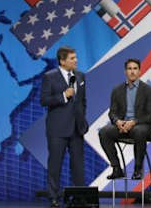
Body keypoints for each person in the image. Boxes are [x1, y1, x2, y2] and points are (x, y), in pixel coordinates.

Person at [41, 46, 88, 207]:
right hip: (57, 128)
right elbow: (44, 100)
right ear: (62, 61)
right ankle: (54, 197)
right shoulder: (50, 77)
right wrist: (63, 96)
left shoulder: (81, 76)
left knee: (78, 165)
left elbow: (82, 101)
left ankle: (80, 197)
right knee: (55, 164)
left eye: (76, 57)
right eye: (72, 58)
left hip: (77, 128)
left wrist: (83, 120)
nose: (76, 60)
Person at [98, 58, 151, 179]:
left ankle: (138, 169)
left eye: (135, 68)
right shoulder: (117, 90)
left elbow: (150, 116)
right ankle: (116, 168)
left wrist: (133, 122)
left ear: (139, 71)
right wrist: (117, 121)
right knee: (104, 132)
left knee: (139, 132)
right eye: (129, 69)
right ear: (125, 72)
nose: (132, 71)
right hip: (122, 126)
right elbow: (112, 112)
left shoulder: (148, 90)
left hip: (142, 126)